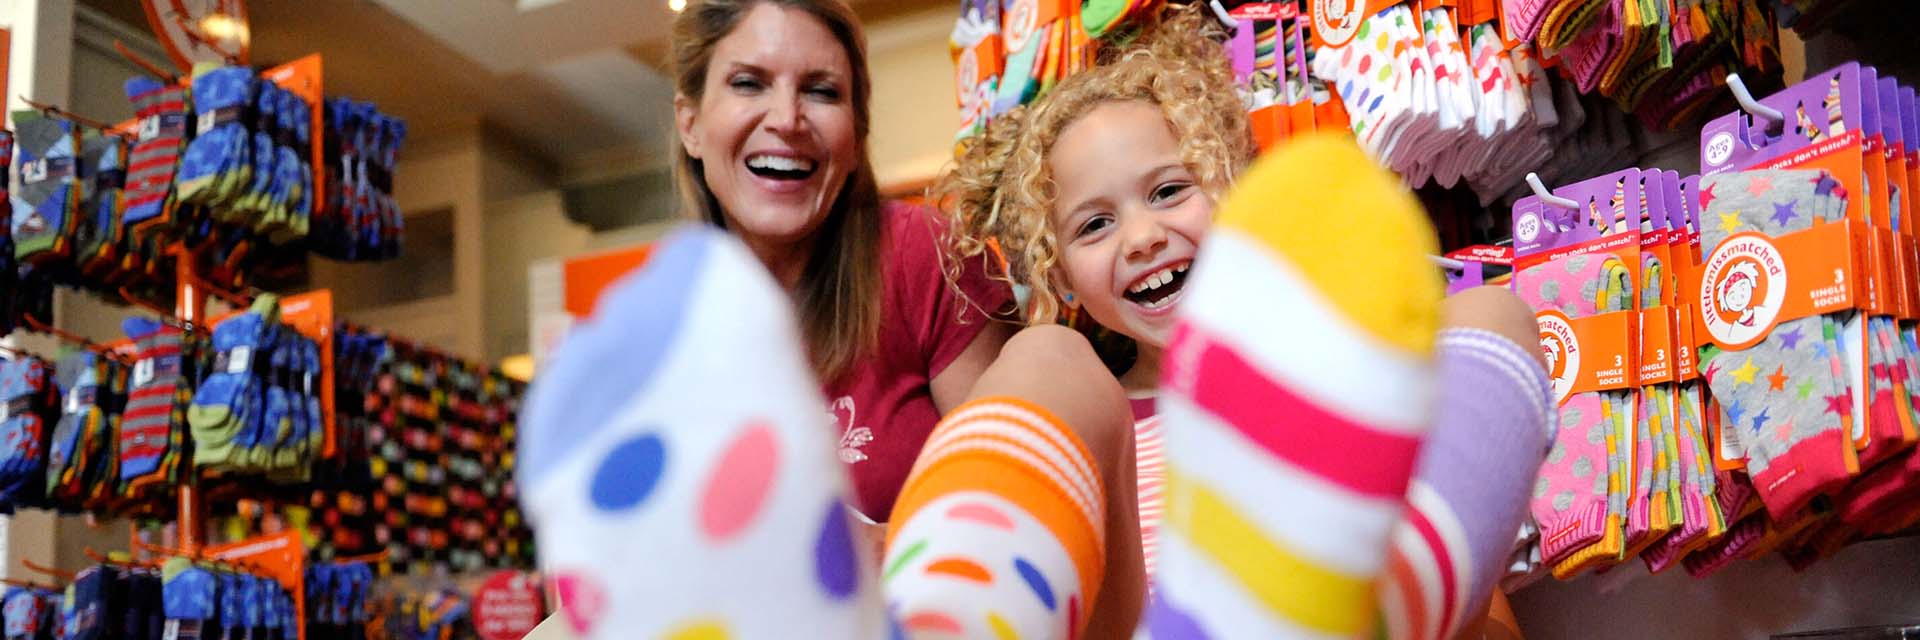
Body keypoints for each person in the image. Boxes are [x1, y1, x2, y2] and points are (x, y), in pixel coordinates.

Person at [937, 11, 1552, 639]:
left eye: (1170, 191)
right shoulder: (1092, 417)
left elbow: (1494, 626)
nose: (1143, 238)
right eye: (1094, 225)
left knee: (1491, 312)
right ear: (1059, 273)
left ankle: (1361, 613)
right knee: (1046, 356)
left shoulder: (1322, 378)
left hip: (1348, 609)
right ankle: (952, 613)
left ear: (1231, 190)